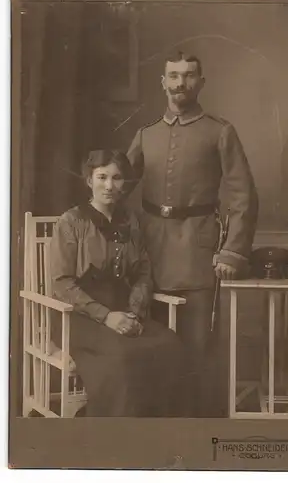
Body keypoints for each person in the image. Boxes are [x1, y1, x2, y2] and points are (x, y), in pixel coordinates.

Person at [127, 51, 259, 417]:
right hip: (149, 251)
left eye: (188, 76)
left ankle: (195, 429)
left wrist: (232, 251)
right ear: (163, 82)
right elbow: (116, 189)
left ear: (201, 83)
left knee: (196, 344)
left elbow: (242, 194)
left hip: (198, 253)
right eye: (173, 75)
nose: (180, 83)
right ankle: (154, 425)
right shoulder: (145, 134)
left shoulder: (220, 132)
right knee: (148, 339)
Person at [50, 148, 187, 417]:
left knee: (171, 346)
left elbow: (143, 273)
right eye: (102, 177)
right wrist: (106, 316)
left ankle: (163, 439)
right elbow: (62, 283)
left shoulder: (131, 221)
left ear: (125, 183)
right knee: (121, 358)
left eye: (117, 178)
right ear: (89, 180)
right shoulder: (71, 221)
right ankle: (116, 439)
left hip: (124, 310)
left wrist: (134, 312)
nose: (109, 186)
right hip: (79, 316)